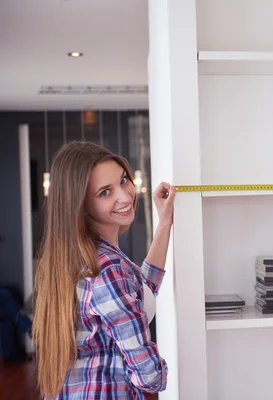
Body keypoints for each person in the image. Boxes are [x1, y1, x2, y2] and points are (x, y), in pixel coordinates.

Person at [32, 141, 175, 399]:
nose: (124, 195)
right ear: (82, 205)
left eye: (123, 180)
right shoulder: (106, 268)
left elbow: (141, 290)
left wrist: (164, 222)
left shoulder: (82, 257)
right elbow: (149, 376)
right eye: (105, 192)